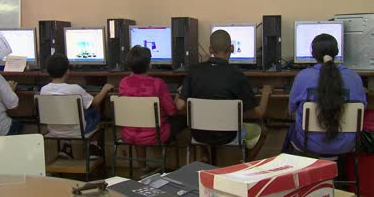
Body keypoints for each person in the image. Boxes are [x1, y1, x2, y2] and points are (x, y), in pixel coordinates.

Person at [176, 30, 272, 163]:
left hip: (199, 134)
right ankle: (243, 167)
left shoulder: (194, 71)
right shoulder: (237, 75)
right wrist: (266, 93)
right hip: (228, 135)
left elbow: (180, 105)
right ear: (232, 48)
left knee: (199, 120)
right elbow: (257, 113)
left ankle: (205, 157)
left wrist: (179, 92)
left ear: (210, 50)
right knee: (263, 130)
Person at [283, 34, 367, 155]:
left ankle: (293, 170)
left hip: (309, 144)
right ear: (336, 52)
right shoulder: (355, 78)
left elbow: (291, 109)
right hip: (346, 145)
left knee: (291, 129)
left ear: (313, 54)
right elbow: (362, 108)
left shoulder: (303, 76)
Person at [119, 46, 187, 174]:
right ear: (149, 64)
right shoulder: (157, 83)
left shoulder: (123, 83)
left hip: (129, 134)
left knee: (138, 122)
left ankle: (142, 167)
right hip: (155, 135)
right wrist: (178, 94)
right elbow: (171, 111)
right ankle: (179, 168)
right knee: (184, 119)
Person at [40, 53, 114, 159]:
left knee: (66, 115)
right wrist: (105, 89)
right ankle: (93, 147)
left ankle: (67, 147)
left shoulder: (43, 90)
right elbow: (94, 103)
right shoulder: (75, 89)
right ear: (68, 71)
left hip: (53, 130)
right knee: (95, 113)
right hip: (77, 131)